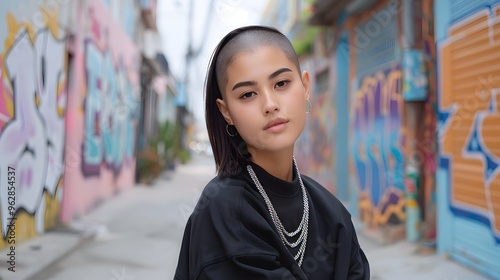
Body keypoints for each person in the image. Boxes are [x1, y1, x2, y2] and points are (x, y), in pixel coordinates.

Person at [174, 25, 369, 280]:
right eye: (248, 94)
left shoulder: (333, 213)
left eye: (281, 83)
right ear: (226, 112)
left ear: (306, 86)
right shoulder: (221, 211)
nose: (270, 104)